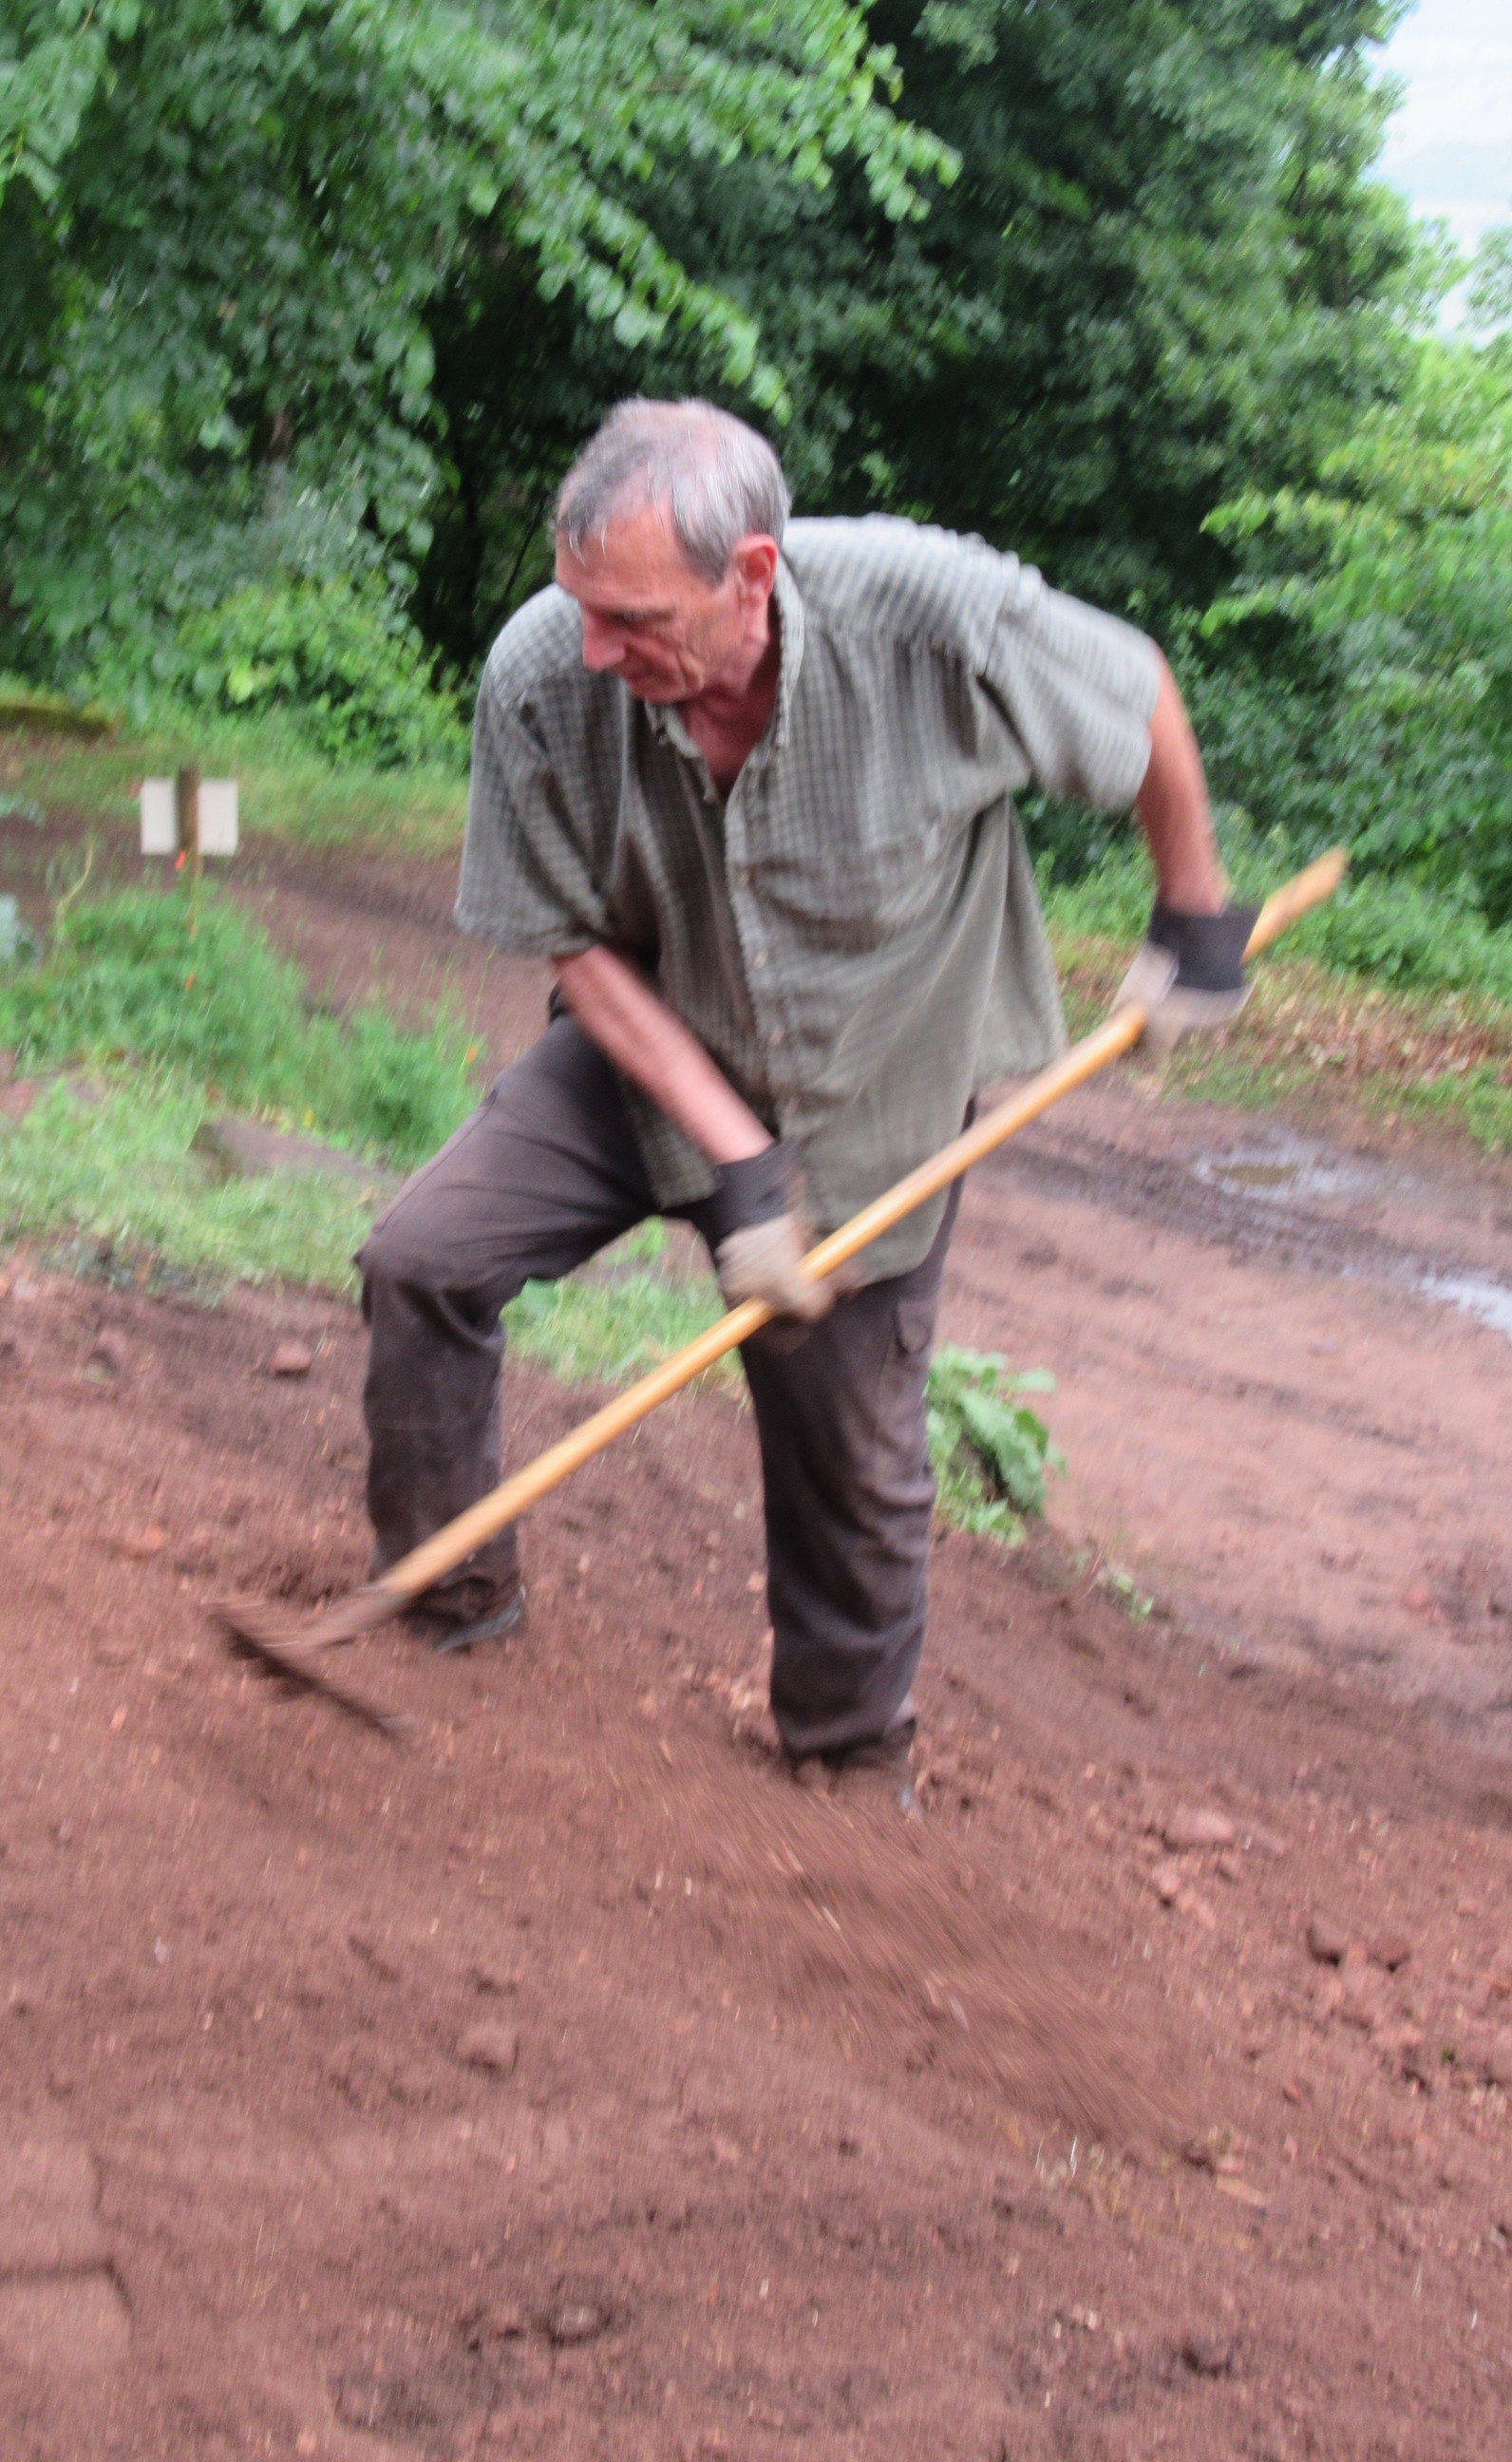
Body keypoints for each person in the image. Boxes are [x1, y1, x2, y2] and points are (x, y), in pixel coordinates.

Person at [357, 398, 1252, 1806]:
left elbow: (1133, 691)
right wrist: (736, 1162)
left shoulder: (927, 618)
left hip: (872, 1075)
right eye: (583, 607)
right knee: (424, 1259)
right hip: (651, 1038)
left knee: (848, 1440)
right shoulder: (543, 674)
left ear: (752, 576)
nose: (596, 650)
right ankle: (443, 1604)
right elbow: (573, 945)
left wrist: (1194, 921)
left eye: (634, 619)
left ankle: (848, 1766)